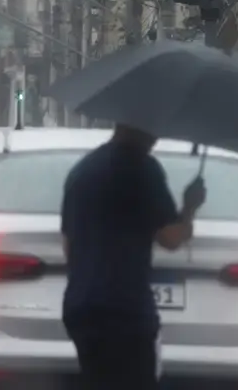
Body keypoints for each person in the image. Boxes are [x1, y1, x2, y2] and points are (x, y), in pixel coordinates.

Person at [60, 123, 207, 390]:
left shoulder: (82, 170)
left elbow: (68, 244)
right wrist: (190, 207)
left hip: (81, 307)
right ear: (143, 129)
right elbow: (171, 238)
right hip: (125, 310)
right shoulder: (142, 168)